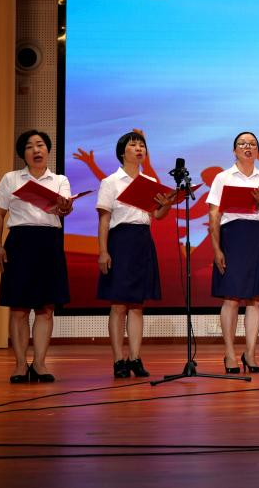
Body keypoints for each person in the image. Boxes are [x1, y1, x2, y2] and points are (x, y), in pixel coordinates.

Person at [0, 130, 72, 383]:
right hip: (20, 243)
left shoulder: (60, 180)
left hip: (49, 243)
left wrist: (65, 207)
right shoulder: (11, 178)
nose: (36, 150)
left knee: (46, 308)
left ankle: (39, 363)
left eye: (40, 145)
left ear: (47, 150)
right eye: (29, 146)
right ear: (23, 153)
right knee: (19, 309)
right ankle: (19, 365)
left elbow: (65, 210)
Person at [96, 131, 173, 378]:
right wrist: (103, 251)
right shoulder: (110, 182)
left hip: (142, 241)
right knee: (119, 305)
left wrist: (166, 204)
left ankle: (135, 358)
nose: (139, 148)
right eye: (133, 145)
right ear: (122, 152)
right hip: (119, 242)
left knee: (138, 306)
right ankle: (119, 360)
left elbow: (157, 215)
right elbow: (104, 219)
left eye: (142, 145)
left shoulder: (149, 181)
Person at [208, 132, 259, 374]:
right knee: (231, 298)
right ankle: (229, 354)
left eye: (252, 144)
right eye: (242, 144)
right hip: (232, 237)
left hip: (256, 236)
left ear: (257, 151)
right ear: (234, 150)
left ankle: (250, 353)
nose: (247, 147)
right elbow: (214, 214)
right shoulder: (223, 177)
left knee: (255, 298)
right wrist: (216, 248)